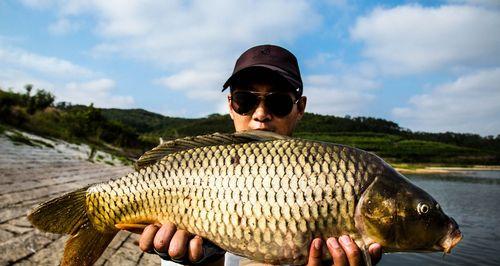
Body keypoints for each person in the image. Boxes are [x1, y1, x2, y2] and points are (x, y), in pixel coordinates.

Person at [138, 44, 383, 265]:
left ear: (300, 108)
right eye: (245, 101)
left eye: (278, 103)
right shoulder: (191, 176)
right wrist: (205, 260)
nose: (261, 114)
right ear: (230, 105)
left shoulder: (329, 175)